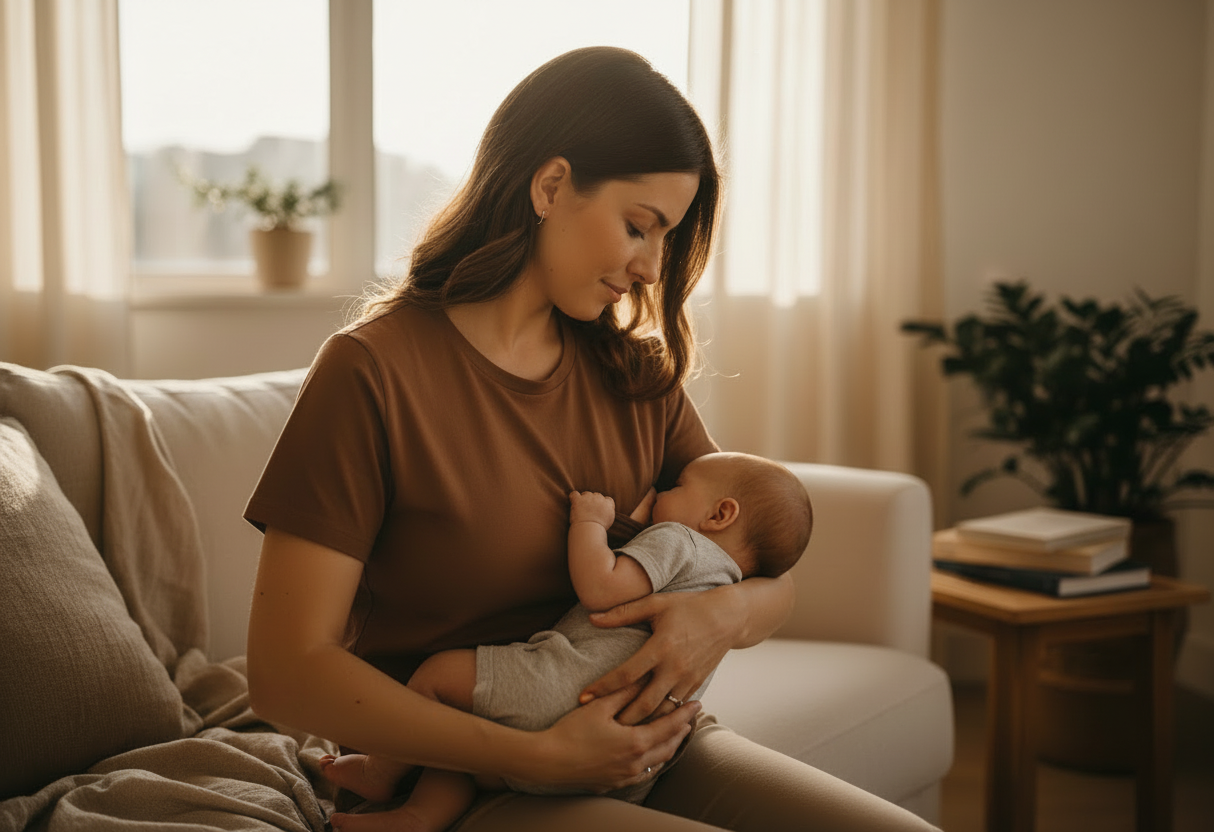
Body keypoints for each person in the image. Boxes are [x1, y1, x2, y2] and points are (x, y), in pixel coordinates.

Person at [245, 46, 937, 832]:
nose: (651, 268)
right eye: (639, 227)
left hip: (650, 755)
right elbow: (283, 674)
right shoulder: (373, 373)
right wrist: (534, 759)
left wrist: (719, 619)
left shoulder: (636, 378)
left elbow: (765, 572)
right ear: (550, 186)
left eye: (666, 239)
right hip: (459, 784)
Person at [317, 452, 814, 832]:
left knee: (438, 679)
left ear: (720, 513)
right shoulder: (726, 577)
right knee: (465, 745)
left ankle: (386, 776)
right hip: (634, 758)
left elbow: (601, 589)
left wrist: (590, 524)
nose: (663, 489)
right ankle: (422, 819)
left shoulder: (680, 540)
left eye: (678, 485)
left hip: (560, 694)